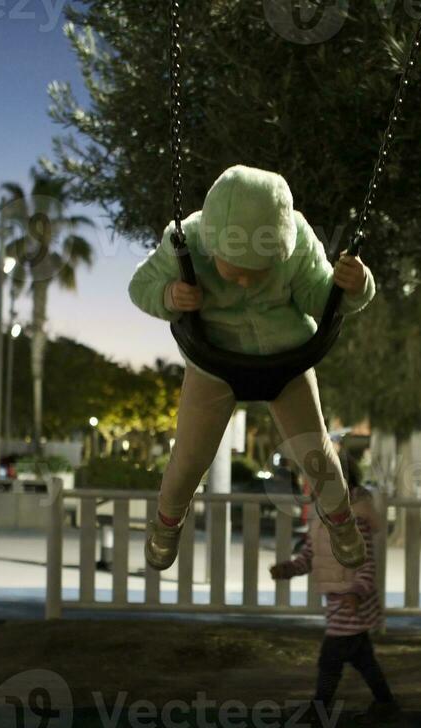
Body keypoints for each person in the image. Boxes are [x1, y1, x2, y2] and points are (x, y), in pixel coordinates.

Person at [128, 164, 376, 572]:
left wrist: (352, 286)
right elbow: (141, 287)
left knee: (315, 454)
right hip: (214, 362)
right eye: (235, 268)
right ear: (212, 243)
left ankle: (341, 520)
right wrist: (170, 294)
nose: (244, 282)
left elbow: (320, 299)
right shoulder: (187, 239)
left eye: (259, 270)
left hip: (286, 357)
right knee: (189, 458)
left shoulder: (296, 239)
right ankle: (166, 522)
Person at [269, 450, 399, 728]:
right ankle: (385, 703)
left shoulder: (354, 519)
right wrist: (289, 569)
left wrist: (356, 592)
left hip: (352, 598)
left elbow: (365, 562)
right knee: (363, 659)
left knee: (331, 658)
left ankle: (320, 707)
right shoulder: (320, 517)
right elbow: (310, 555)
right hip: (340, 597)